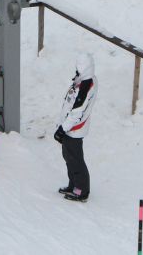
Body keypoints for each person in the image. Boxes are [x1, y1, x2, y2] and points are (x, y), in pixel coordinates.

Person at [54, 53, 98, 202]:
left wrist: (63, 128)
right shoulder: (82, 80)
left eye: (79, 68)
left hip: (74, 129)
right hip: (69, 127)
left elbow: (77, 112)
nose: (76, 71)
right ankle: (73, 184)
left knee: (76, 160)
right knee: (68, 157)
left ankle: (81, 190)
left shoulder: (87, 86)